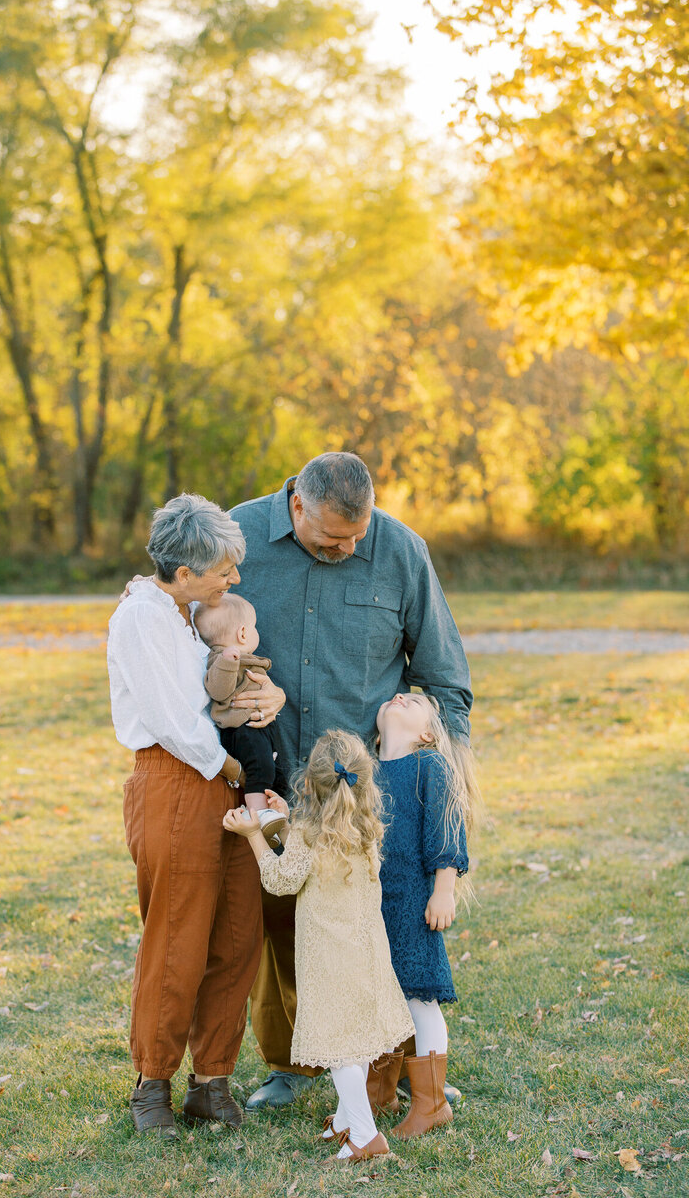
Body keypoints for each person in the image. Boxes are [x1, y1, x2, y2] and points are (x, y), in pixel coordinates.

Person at [228, 452, 474, 1110]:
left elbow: (447, 680)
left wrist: (440, 780)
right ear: (298, 506)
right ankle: (289, 1065)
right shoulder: (238, 538)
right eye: (336, 537)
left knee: (377, 932)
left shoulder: (399, 550)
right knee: (286, 928)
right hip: (272, 781)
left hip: (368, 799)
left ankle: (389, 1068)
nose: (352, 546)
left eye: (359, 533)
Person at [107, 493, 284, 1137]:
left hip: (229, 783)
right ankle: (153, 1083)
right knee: (177, 936)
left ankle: (212, 1080)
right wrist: (239, 772)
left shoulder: (189, 614)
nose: (233, 579)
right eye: (224, 570)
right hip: (179, 782)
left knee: (237, 934)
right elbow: (174, 722)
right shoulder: (141, 619)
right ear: (185, 572)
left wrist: (268, 698)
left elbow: (222, 688)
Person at [222, 730, 415, 1164]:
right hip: (366, 952)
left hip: (330, 958)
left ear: (308, 783)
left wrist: (254, 833)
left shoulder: (309, 834)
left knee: (340, 1046)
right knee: (356, 1039)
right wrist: (283, 821)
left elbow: (281, 879)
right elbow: (303, 855)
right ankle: (349, 1118)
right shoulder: (366, 826)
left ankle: (365, 1136)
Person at [371, 690, 480, 1138]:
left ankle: (431, 1104)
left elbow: (446, 828)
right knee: (378, 994)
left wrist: (443, 890)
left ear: (428, 733)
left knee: (419, 996)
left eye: (413, 702)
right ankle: (378, 1092)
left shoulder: (429, 766)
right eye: (395, 697)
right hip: (372, 903)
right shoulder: (363, 771)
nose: (399, 696)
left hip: (415, 900)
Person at [194, 593, 287, 842]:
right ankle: (257, 817)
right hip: (242, 729)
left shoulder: (242, 659)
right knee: (260, 769)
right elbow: (218, 690)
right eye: (254, 628)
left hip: (259, 727)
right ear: (244, 633)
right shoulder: (221, 661)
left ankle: (274, 819)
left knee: (277, 770)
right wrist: (227, 663)